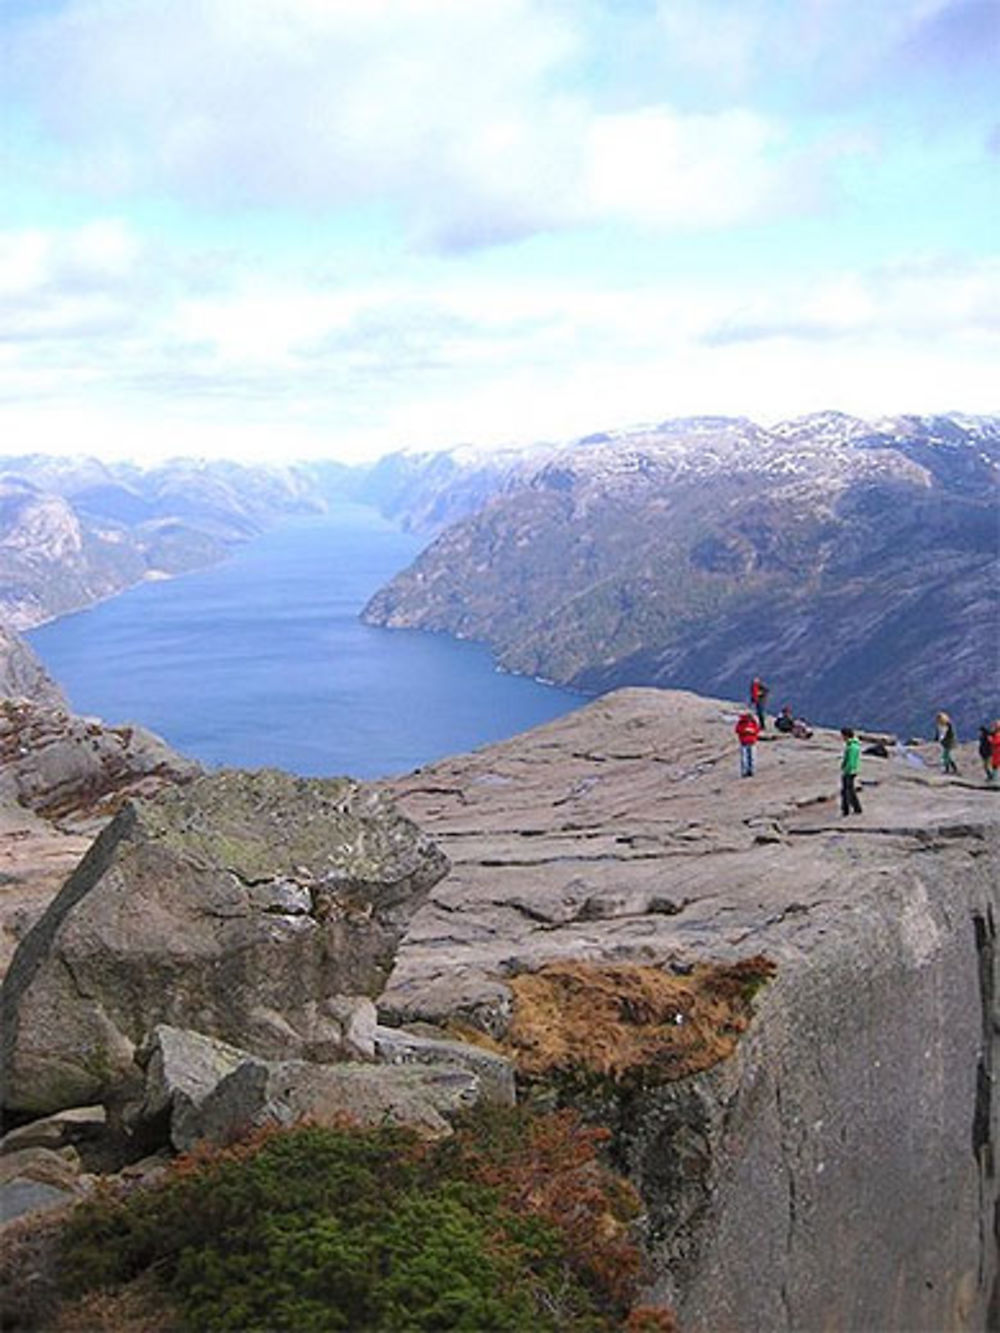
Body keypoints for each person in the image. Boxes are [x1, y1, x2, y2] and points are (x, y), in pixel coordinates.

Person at [840, 727, 862, 815]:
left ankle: (846, 810)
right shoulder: (854, 745)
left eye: (843, 736)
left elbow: (851, 760)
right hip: (852, 770)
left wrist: (846, 769)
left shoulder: (851, 747)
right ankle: (856, 808)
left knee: (846, 791)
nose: (842, 738)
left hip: (849, 771)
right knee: (850, 791)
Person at [735, 710, 760, 777]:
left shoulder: (753, 722)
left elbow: (757, 730)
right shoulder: (742, 722)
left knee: (751, 757)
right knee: (744, 758)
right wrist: (745, 730)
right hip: (745, 742)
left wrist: (751, 731)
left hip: (751, 742)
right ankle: (745, 771)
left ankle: (751, 771)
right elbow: (737, 730)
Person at [989, 721, 1000, 785]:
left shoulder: (998, 734)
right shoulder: (995, 734)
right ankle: (994, 778)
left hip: (997, 752)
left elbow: (996, 742)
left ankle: (995, 780)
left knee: (996, 766)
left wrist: (991, 740)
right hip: (995, 753)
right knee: (995, 766)